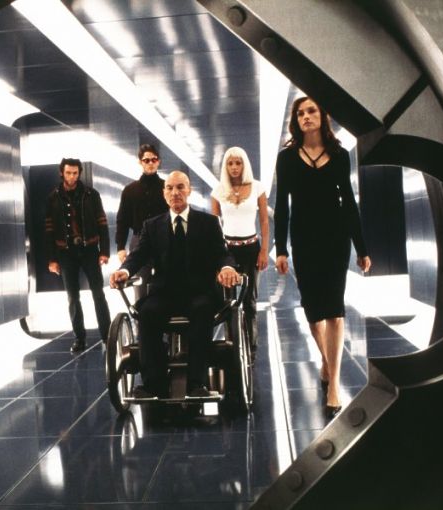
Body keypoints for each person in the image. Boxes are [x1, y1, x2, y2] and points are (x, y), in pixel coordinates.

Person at [273, 96, 372, 418]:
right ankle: (327, 361)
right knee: (313, 311)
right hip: (304, 240)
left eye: (312, 111)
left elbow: (350, 202)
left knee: (334, 310)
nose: (306, 116)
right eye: (300, 113)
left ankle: (334, 386)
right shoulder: (287, 158)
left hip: (335, 239)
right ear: (296, 121)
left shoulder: (340, 155)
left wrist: (361, 248)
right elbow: (282, 206)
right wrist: (281, 248)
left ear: (322, 116)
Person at [109, 171, 240, 398]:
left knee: (202, 310)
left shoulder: (208, 223)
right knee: (147, 312)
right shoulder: (152, 226)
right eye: (169, 188)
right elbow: (138, 255)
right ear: (164, 193)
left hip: (199, 292)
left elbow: (222, 253)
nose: (175, 193)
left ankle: (197, 384)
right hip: (164, 293)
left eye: (180, 187)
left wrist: (227, 268)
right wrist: (124, 270)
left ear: (189, 190)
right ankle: (153, 384)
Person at [45, 158, 112, 353]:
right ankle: (79, 338)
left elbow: (102, 223)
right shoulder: (53, 198)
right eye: (68, 173)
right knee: (72, 297)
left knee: (98, 294)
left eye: (75, 173)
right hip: (65, 252)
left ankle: (107, 335)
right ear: (62, 173)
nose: (72, 176)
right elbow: (49, 230)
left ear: (79, 173)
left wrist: (104, 251)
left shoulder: (91, 195)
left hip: (89, 249)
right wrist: (52, 259)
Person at [211, 146, 269, 356]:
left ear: (245, 165)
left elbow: (264, 220)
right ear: (225, 167)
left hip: (251, 249)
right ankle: (231, 345)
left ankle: (251, 347)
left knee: (250, 300)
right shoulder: (218, 191)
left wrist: (264, 251)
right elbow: (215, 225)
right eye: (230, 163)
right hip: (227, 251)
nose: (234, 167)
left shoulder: (257, 187)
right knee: (227, 302)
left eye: (238, 163)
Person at [115, 143, 169, 302]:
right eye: (146, 160)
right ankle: (142, 315)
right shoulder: (130, 190)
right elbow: (122, 220)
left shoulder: (166, 187)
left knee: (166, 280)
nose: (150, 163)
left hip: (164, 239)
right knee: (140, 283)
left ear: (158, 161)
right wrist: (120, 247)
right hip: (139, 239)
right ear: (140, 162)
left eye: (154, 159)